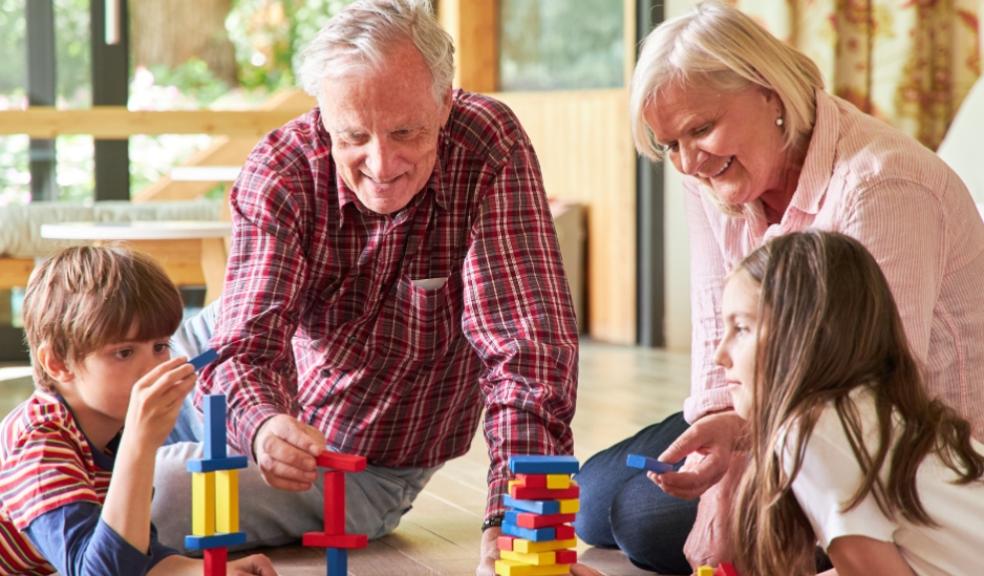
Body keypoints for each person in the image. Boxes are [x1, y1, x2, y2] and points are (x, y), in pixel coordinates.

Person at [151, 1, 579, 574]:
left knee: (155, 492)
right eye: (353, 135)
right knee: (57, 431)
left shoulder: (486, 144)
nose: (382, 163)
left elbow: (527, 350)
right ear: (323, 114)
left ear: (445, 101)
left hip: (355, 458)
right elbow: (242, 346)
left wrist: (518, 521)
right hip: (226, 377)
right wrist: (263, 425)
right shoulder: (281, 167)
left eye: (406, 132)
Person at [574, 1, 984, 572]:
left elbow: (869, 394)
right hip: (776, 402)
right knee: (592, 499)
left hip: (880, 440)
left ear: (770, 94)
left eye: (701, 129)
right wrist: (723, 428)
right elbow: (715, 325)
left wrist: (729, 492)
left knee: (641, 520)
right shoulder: (711, 172)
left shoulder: (883, 185)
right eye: (670, 145)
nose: (688, 162)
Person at [716, 230, 984, 575]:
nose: (719, 355)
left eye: (741, 329)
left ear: (806, 333)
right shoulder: (871, 409)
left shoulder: (813, 433)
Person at [0, 246, 276, 576]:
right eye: (125, 352)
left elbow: (134, 556)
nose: (153, 368)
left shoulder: (110, 431)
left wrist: (210, 571)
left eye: (160, 346)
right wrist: (139, 444)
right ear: (58, 363)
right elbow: (99, 573)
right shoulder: (40, 442)